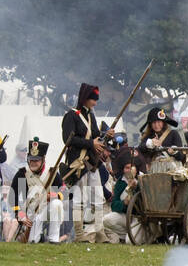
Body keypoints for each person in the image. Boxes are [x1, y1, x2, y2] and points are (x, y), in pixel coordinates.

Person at [60, 82, 108, 243]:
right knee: (79, 200)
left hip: (91, 164)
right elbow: (68, 139)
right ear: (85, 98)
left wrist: (106, 135)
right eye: (92, 99)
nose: (94, 103)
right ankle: (80, 235)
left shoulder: (90, 115)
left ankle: (100, 232)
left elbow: (95, 136)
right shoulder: (71, 115)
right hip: (78, 163)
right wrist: (91, 144)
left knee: (99, 198)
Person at [13, 140, 64, 243]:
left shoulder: (51, 172)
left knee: (57, 204)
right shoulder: (22, 173)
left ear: (43, 159)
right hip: (32, 213)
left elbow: (64, 193)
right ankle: (39, 237)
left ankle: (53, 239)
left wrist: (51, 196)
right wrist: (21, 215)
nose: (33, 163)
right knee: (32, 240)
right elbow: (13, 197)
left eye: (36, 160)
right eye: (31, 160)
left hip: (48, 209)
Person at [102, 162, 138, 243]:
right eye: (127, 168)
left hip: (138, 219)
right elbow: (114, 205)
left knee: (129, 242)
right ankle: (125, 235)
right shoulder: (120, 183)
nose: (129, 170)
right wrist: (124, 203)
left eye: (131, 168)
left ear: (136, 170)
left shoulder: (141, 180)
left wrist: (136, 187)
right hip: (125, 216)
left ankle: (132, 235)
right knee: (106, 220)